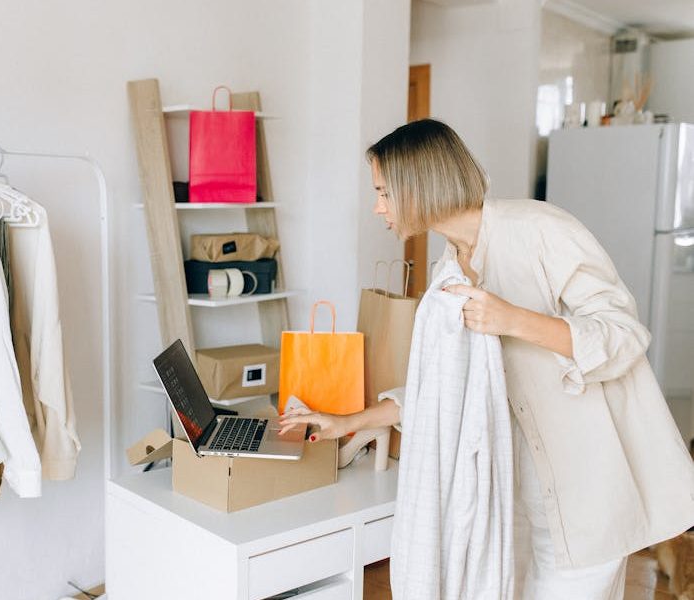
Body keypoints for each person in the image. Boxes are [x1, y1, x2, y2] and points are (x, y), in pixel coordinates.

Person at [279, 119, 694, 599]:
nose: (378, 207)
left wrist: (512, 319)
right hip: (515, 491)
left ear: (418, 186)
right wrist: (347, 422)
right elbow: (443, 390)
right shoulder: (449, 267)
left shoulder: (540, 230)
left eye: (384, 192)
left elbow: (623, 334)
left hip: (587, 486)